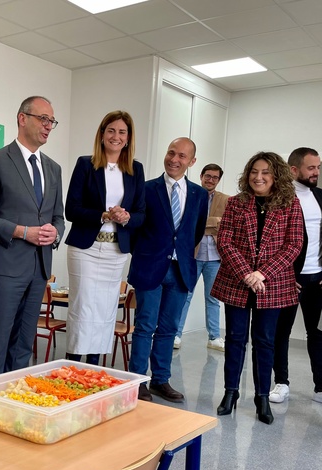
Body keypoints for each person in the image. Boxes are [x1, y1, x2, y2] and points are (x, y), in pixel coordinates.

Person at [0, 96, 65, 378]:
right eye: (43, 119)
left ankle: (14, 403)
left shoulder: (53, 168)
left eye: (52, 121)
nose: (48, 126)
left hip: (39, 270)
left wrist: (56, 232)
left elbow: (58, 217)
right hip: (6, 266)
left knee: (24, 343)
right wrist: (21, 231)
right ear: (22, 118)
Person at [211, 152, 303, 425]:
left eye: (265, 172)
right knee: (235, 339)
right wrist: (247, 274)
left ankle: (262, 397)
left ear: (277, 176)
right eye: (254, 171)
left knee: (264, 342)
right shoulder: (236, 203)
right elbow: (224, 241)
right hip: (236, 282)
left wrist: (262, 273)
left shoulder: (290, 204)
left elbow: (294, 245)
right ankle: (230, 393)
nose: (258, 177)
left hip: (272, 285)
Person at [128, 138, 208, 403]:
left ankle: (161, 379)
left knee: (169, 328)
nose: (175, 159)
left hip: (180, 270)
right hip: (150, 267)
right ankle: (138, 381)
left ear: (192, 162)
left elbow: (194, 233)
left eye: (182, 156)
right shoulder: (147, 188)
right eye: (171, 153)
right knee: (144, 325)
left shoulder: (198, 194)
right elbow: (135, 226)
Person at [64, 111, 145, 365]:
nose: (116, 136)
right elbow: (71, 209)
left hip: (115, 251)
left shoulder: (136, 170)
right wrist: (102, 214)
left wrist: (126, 217)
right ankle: (73, 364)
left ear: (128, 138)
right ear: (101, 134)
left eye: (122, 132)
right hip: (86, 247)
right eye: (111, 130)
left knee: (106, 309)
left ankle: (93, 367)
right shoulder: (85, 164)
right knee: (83, 307)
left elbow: (141, 214)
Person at [270, 147, 322, 404]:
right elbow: (274, 242)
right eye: (311, 168)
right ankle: (281, 382)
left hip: (318, 279)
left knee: (318, 334)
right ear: (294, 170)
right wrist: (285, 274)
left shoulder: (321, 196)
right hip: (290, 278)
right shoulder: (280, 199)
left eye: (318, 167)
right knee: (282, 333)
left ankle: (320, 386)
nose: (316, 172)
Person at [174, 164, 231, 351]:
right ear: (201, 176)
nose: (211, 180)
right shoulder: (193, 195)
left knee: (213, 298)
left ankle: (214, 337)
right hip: (193, 254)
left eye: (215, 177)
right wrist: (214, 222)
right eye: (208, 176)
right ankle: (176, 334)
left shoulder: (227, 200)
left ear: (219, 179)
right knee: (185, 295)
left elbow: (226, 226)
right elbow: (187, 224)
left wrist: (210, 224)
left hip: (215, 257)